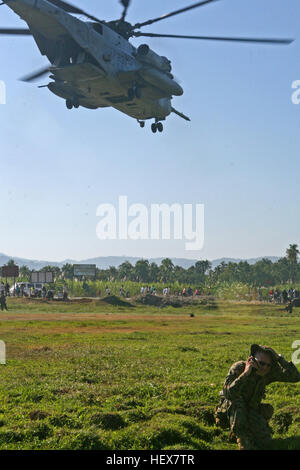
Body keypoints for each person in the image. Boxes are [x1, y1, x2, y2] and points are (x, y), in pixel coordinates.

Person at [215, 344, 300, 450]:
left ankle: (246, 430)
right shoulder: (239, 367)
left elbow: (295, 377)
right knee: (237, 402)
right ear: (252, 360)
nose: (264, 367)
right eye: (261, 363)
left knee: (266, 442)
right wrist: (245, 373)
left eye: (268, 365)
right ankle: (240, 436)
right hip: (231, 409)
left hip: (250, 409)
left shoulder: (269, 371)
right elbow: (229, 393)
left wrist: (279, 358)